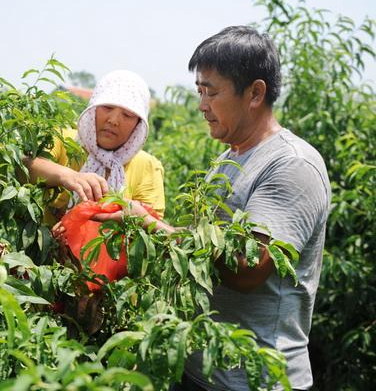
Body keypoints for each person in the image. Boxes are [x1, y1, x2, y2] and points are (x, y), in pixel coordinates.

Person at [95, 26, 331, 390]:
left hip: (256, 378)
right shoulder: (228, 158)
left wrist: (150, 226)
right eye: (199, 91)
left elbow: (249, 268)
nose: (202, 105)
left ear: (255, 93)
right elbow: (199, 250)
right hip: (202, 370)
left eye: (212, 92)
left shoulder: (291, 165)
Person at [25, 69, 165, 224]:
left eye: (127, 115)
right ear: (93, 108)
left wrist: (126, 220)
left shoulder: (147, 166)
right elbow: (24, 167)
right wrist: (67, 176)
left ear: (138, 125)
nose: (113, 120)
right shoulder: (62, 140)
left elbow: (153, 229)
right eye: (107, 107)